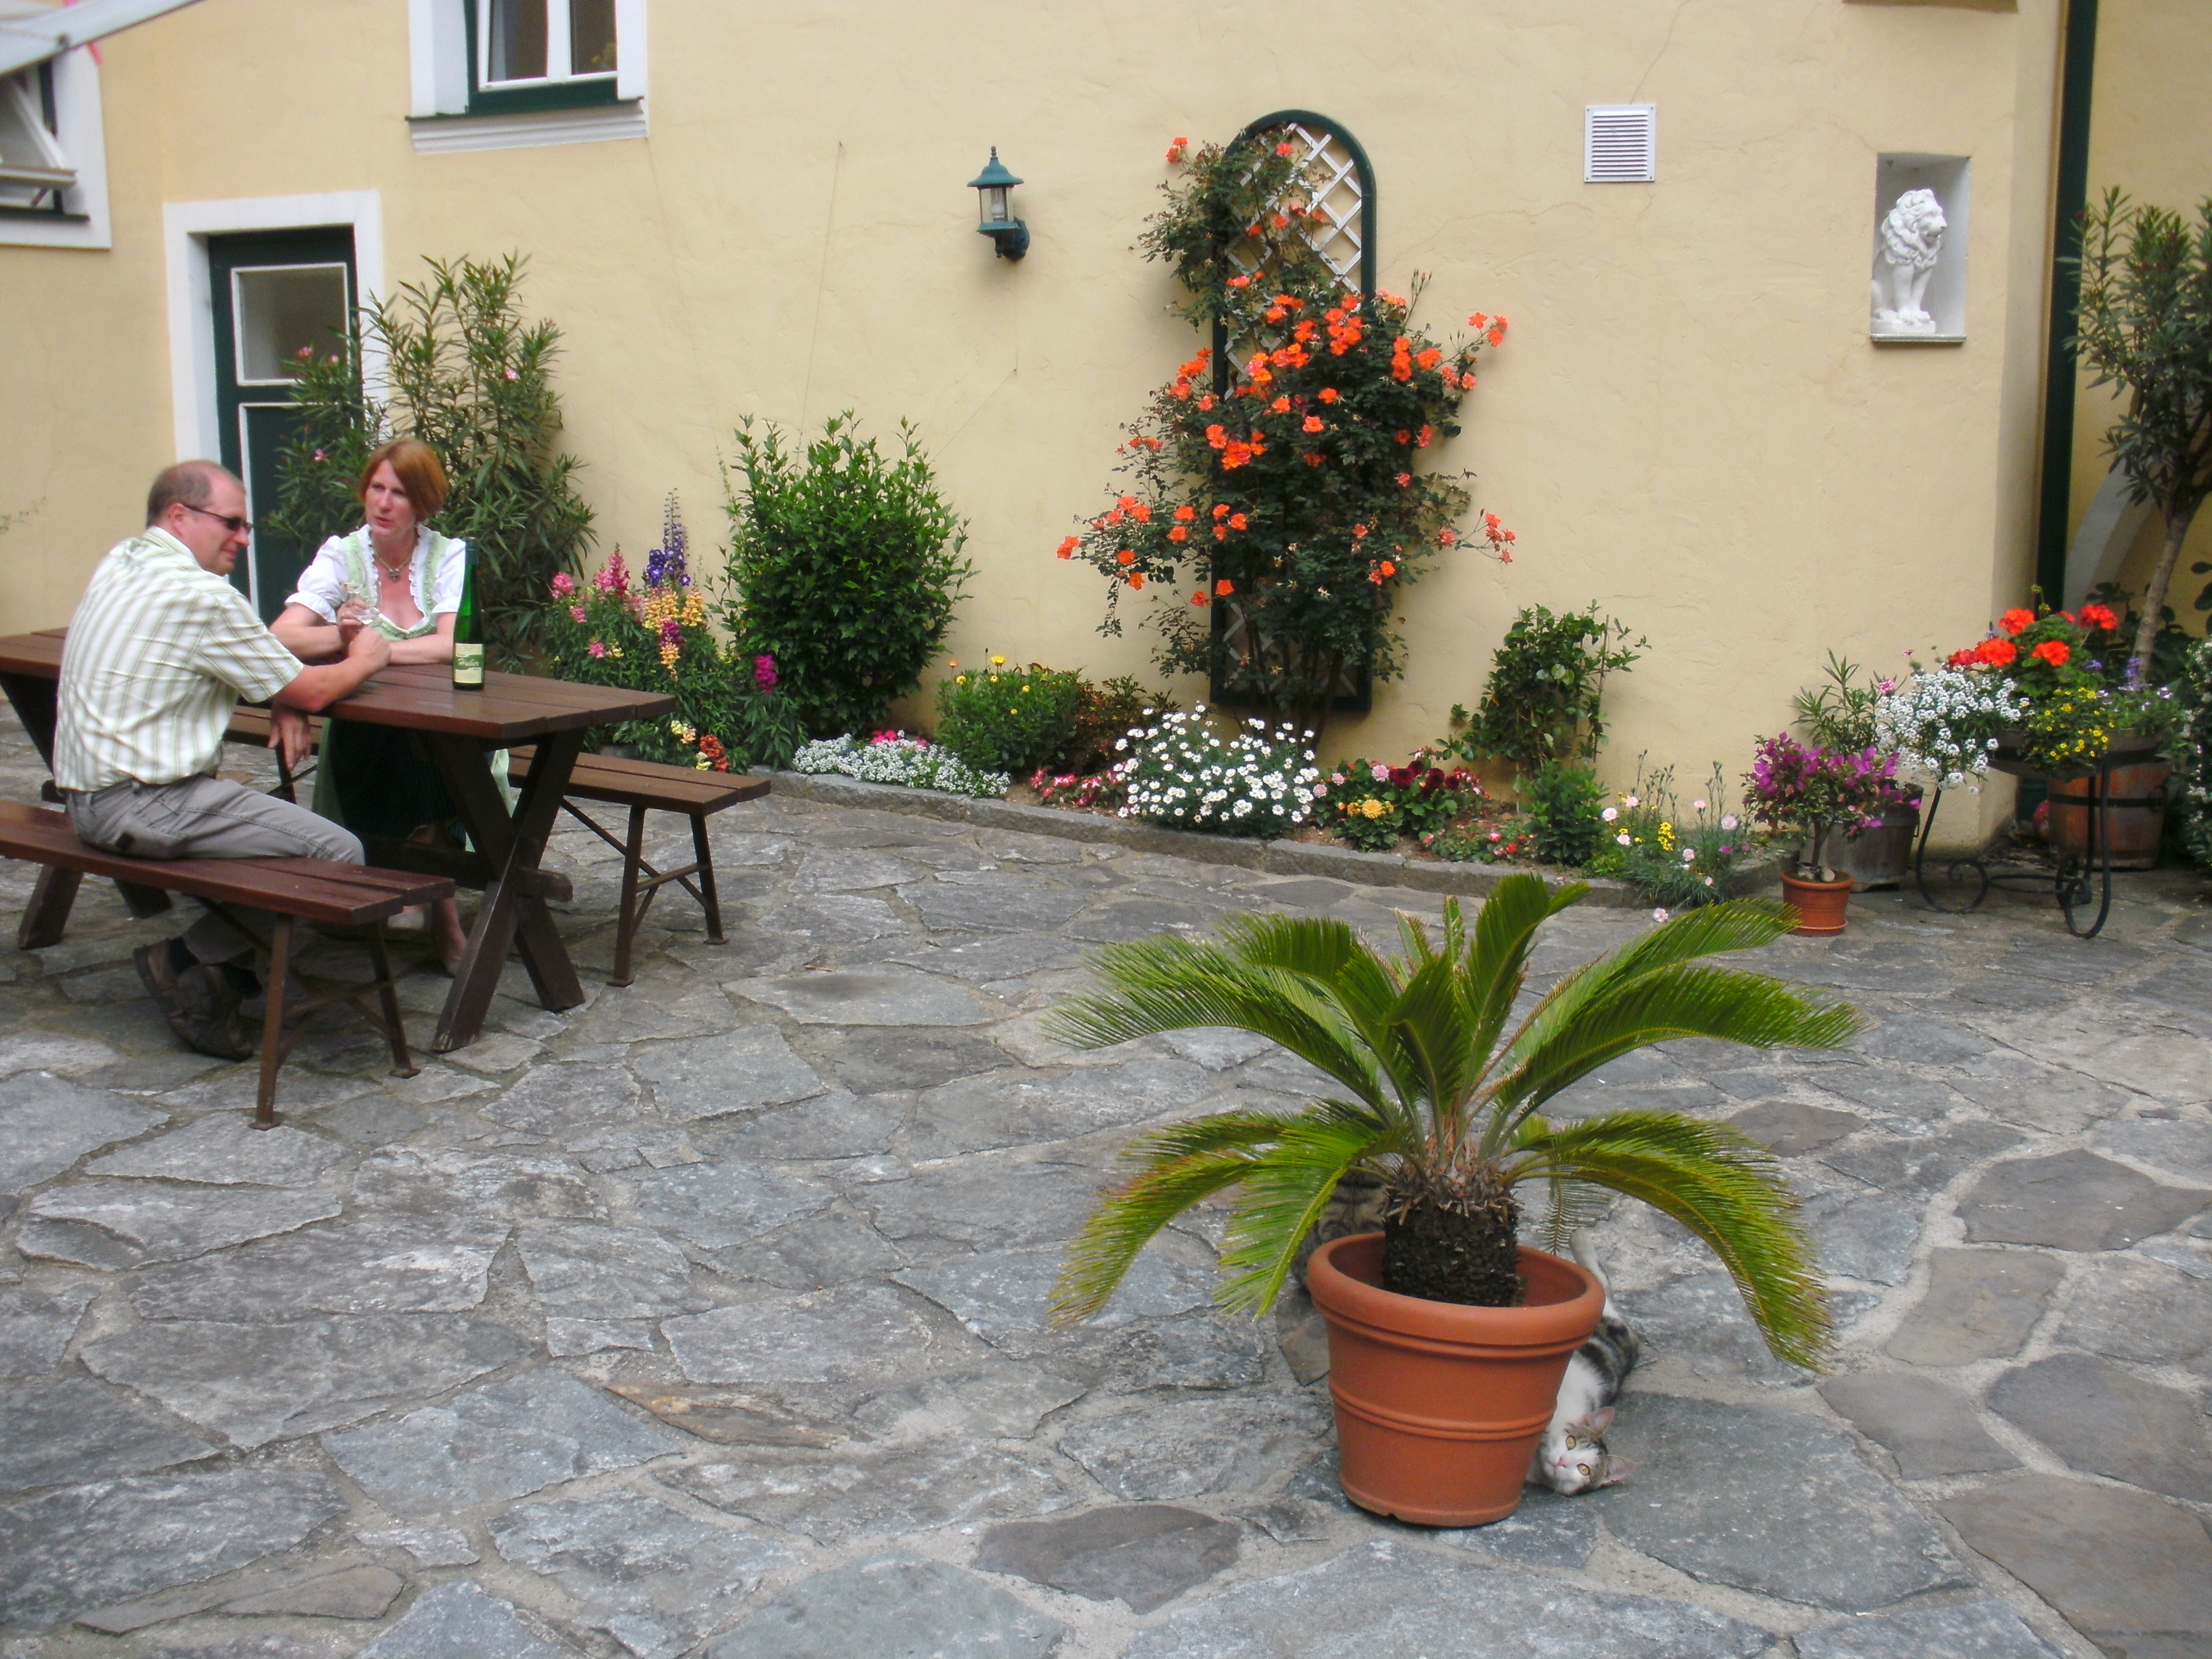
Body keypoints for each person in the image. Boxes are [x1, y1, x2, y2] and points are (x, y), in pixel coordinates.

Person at [56, 460, 390, 1060]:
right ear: (180, 516)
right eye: (232, 524)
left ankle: (216, 980)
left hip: (84, 800)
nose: (242, 538)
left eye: (247, 527)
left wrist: (278, 699)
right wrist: (364, 657)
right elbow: (311, 690)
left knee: (273, 836)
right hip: (145, 805)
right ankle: (191, 967)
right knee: (341, 855)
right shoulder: (203, 596)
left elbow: (221, 669)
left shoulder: (123, 561)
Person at [271, 439, 472, 969]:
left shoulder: (447, 556)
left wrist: (375, 652)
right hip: (365, 727)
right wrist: (340, 641)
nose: (383, 503)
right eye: (376, 489)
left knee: (433, 752)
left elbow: (455, 645)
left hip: (442, 722)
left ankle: (429, 904)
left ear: (422, 505)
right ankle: (444, 918)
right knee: (410, 756)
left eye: (399, 493)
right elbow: (282, 637)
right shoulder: (342, 556)